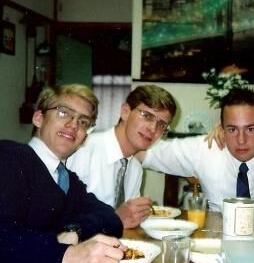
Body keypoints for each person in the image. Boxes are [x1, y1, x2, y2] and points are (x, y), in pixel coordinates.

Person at [0, 84, 125, 263]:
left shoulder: (68, 179)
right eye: (63, 113)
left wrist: (74, 231)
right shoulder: (8, 157)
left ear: (84, 137)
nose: (73, 125)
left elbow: (110, 218)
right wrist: (64, 257)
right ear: (38, 118)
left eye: (83, 121)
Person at [135, 87, 254, 215]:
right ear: (221, 129)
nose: (241, 140)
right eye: (232, 129)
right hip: (218, 248)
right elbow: (142, 151)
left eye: (250, 129)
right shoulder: (207, 149)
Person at [66, 85, 177, 228]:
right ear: (125, 112)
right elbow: (63, 219)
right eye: (147, 116)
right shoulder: (83, 150)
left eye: (162, 125)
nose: (153, 129)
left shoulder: (135, 168)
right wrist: (114, 218)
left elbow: (128, 222)